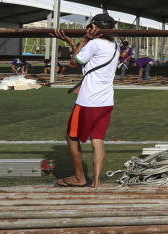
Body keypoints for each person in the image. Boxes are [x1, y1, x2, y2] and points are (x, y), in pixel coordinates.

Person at [51, 13, 119, 188]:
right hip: (106, 100)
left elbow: (74, 62)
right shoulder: (115, 46)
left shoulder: (95, 43)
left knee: (71, 137)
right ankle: (96, 182)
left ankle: (79, 178)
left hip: (88, 101)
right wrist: (73, 43)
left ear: (93, 28)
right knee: (97, 140)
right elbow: (84, 60)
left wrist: (82, 40)